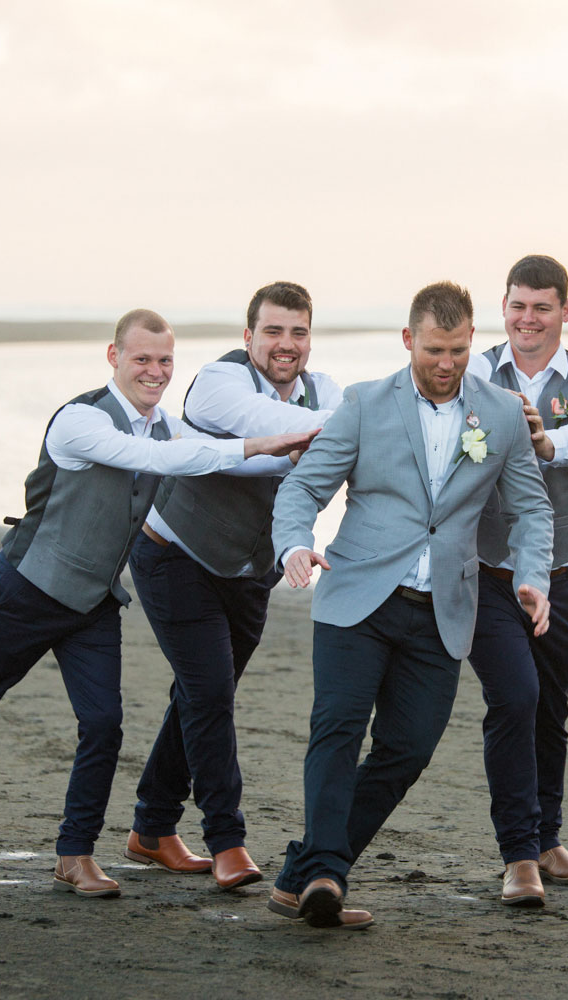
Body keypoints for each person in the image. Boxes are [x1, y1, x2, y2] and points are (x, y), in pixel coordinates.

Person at [0, 308, 317, 898]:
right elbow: (162, 460)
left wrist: (297, 448)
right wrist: (268, 438)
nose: (155, 371)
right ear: (113, 357)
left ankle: (75, 852)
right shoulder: (79, 420)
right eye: (142, 359)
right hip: (27, 590)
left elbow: (209, 454)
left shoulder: (166, 425)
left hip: (93, 603)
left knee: (104, 725)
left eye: (165, 361)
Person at [266, 281, 554, 929]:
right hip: (356, 598)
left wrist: (532, 576)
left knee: (408, 748)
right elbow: (304, 488)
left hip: (443, 610)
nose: (446, 363)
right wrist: (293, 546)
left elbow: (531, 509)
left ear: (471, 342)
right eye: (433, 350)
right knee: (337, 731)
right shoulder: (366, 404)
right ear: (408, 341)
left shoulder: (502, 415)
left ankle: (302, 870)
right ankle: (325, 876)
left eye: (456, 350)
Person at [122, 282, 342, 889]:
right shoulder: (218, 384)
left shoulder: (326, 392)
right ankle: (227, 839)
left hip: (249, 574)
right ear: (249, 338)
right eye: (272, 331)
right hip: (175, 556)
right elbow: (264, 426)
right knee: (211, 692)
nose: (285, 344)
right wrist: (340, 430)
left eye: (297, 332)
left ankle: (151, 827)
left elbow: (348, 450)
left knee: (199, 696)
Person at [464, 254, 568, 906]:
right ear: (503, 308)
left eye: (541, 306)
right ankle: (519, 858)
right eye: (517, 306)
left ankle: (548, 840)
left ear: (564, 310)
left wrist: (546, 439)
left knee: (550, 712)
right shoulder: (474, 370)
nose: (528, 319)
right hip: (488, 576)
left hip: (560, 577)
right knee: (516, 700)